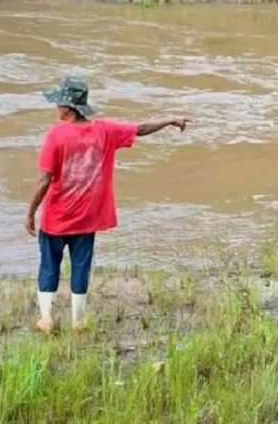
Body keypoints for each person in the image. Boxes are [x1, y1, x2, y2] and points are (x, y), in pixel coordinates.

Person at [26, 77, 190, 334]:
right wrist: (168, 119)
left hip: (56, 218)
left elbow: (44, 179)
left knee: (49, 266)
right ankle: (78, 322)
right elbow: (140, 129)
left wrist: (31, 212)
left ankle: (46, 319)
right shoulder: (104, 131)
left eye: (58, 102)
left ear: (67, 108)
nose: (56, 107)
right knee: (81, 267)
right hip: (87, 219)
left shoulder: (56, 135)